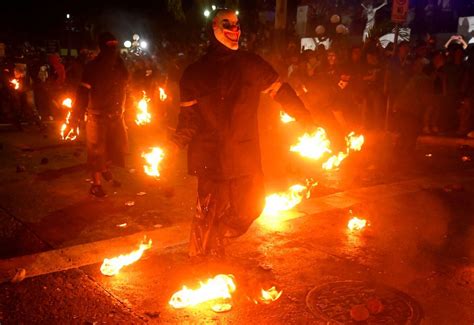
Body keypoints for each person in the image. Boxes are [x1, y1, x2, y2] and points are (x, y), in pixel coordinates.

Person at [169, 9, 314, 257]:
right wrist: (174, 144)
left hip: (243, 154)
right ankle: (204, 265)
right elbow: (189, 120)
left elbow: (280, 91)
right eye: (228, 24)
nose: (234, 29)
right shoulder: (194, 73)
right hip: (210, 157)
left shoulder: (250, 63)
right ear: (215, 28)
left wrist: (306, 118)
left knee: (252, 205)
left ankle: (217, 237)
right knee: (208, 211)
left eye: (237, 24)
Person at [64, 32, 129, 197]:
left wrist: (128, 106)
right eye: (110, 45)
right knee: (96, 152)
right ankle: (96, 184)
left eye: (115, 45)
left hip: (116, 115)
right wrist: (74, 119)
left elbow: (125, 86)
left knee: (117, 147)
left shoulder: (120, 64)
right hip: (97, 116)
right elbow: (82, 95)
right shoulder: (92, 67)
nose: (113, 49)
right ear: (102, 47)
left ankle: (105, 167)